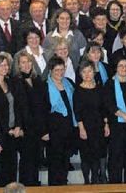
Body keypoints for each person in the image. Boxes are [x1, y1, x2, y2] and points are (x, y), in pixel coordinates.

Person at [11, 51, 49, 186]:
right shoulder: (15, 82)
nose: (26, 65)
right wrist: (19, 127)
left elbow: (44, 106)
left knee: (35, 162)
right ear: (18, 66)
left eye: (28, 61)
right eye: (23, 62)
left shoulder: (37, 80)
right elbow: (18, 108)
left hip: (38, 128)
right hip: (25, 129)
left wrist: (44, 129)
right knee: (27, 162)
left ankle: (34, 186)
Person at [0, 53, 24, 186]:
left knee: (13, 165)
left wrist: (18, 125)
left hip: (14, 131)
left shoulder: (10, 82)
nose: (4, 67)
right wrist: (7, 130)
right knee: (3, 167)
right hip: (0, 133)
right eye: (1, 65)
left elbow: (17, 105)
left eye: (6, 65)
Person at [103, 58, 126, 184]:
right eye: (121, 66)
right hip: (117, 125)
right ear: (116, 68)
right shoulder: (109, 84)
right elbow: (110, 105)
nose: (124, 68)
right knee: (116, 155)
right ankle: (115, 182)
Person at [73, 60, 109, 185]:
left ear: (94, 72)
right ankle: (86, 182)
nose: (87, 74)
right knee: (86, 157)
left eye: (90, 71)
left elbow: (104, 109)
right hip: (85, 127)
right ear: (80, 74)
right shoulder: (77, 90)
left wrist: (106, 124)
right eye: (84, 72)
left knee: (97, 155)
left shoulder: (99, 88)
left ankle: (95, 181)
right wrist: (81, 129)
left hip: (98, 126)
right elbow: (77, 112)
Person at [45, 57, 78, 185]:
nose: (60, 72)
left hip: (68, 128)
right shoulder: (45, 86)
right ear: (51, 71)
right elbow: (41, 111)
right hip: (53, 130)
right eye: (56, 70)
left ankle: (63, 186)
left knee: (65, 161)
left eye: (62, 69)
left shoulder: (68, 83)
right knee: (55, 163)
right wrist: (44, 131)